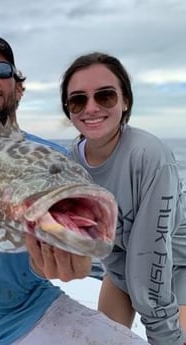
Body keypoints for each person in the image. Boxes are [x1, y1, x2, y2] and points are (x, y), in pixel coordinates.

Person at [0, 34, 148, 345]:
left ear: (19, 87)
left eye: (0, 69)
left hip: (29, 316)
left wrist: (73, 262)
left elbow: (79, 250)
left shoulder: (56, 161)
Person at [60, 51, 186, 345]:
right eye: (78, 100)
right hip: (123, 264)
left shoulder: (149, 155)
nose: (91, 108)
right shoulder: (69, 165)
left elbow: (150, 254)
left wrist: (165, 336)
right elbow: (108, 245)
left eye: (105, 96)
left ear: (125, 100)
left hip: (179, 264)